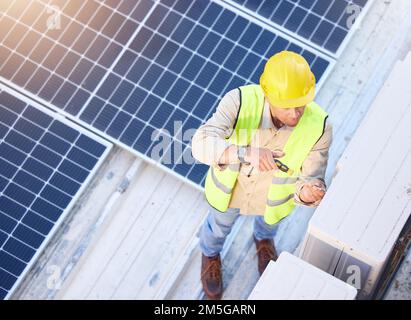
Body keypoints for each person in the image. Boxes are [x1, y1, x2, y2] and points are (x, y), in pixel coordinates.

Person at [191, 51, 333, 300]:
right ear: (268, 95)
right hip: (230, 193)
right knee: (217, 228)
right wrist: (245, 153)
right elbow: (200, 143)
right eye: (288, 106)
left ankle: (264, 242)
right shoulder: (239, 101)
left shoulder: (320, 126)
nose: (297, 113)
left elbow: (311, 177)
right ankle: (210, 255)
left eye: (301, 103)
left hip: (274, 199)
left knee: (269, 226)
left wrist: (309, 192)